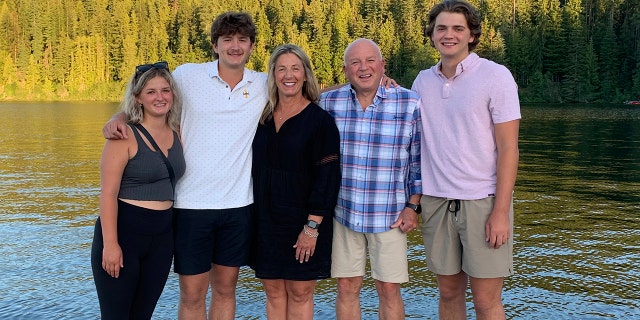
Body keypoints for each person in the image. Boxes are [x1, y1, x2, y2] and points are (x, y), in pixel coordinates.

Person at [102, 12, 268, 320]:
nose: (235, 46)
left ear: (252, 47)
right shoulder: (188, 76)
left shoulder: (262, 83)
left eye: (242, 40)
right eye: (227, 40)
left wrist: (381, 82)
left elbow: (301, 90)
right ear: (215, 45)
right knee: (192, 294)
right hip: (191, 206)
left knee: (226, 290)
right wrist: (116, 118)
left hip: (239, 206)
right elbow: (150, 93)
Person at [411, 1, 521, 319]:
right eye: (441, 28)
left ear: (471, 35)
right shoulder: (422, 82)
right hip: (437, 202)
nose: (449, 35)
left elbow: (509, 148)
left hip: (483, 203)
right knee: (448, 294)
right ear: (431, 34)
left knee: (486, 302)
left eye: (458, 28)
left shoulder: (495, 76)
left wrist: (500, 212)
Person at [320, 38, 422, 320]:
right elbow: (301, 96)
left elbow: (418, 162)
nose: (363, 68)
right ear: (345, 70)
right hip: (343, 212)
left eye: (370, 61)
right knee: (346, 287)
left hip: (389, 213)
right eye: (355, 63)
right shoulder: (330, 102)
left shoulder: (409, 102)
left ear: (382, 65)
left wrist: (413, 207)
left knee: (389, 288)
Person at [250, 43, 341, 319]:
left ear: (305, 74)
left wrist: (311, 228)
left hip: (305, 222)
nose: (288, 75)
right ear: (273, 75)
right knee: (274, 293)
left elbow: (327, 179)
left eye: (295, 68)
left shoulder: (320, 121)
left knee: (300, 293)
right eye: (281, 69)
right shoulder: (261, 115)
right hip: (264, 220)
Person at [91, 61, 185, 319]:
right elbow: (108, 194)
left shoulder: (177, 131)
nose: (160, 97)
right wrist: (110, 245)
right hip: (125, 235)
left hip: (162, 239)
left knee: (143, 315)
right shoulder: (123, 137)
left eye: (165, 90)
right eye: (151, 92)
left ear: (173, 95)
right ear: (138, 97)